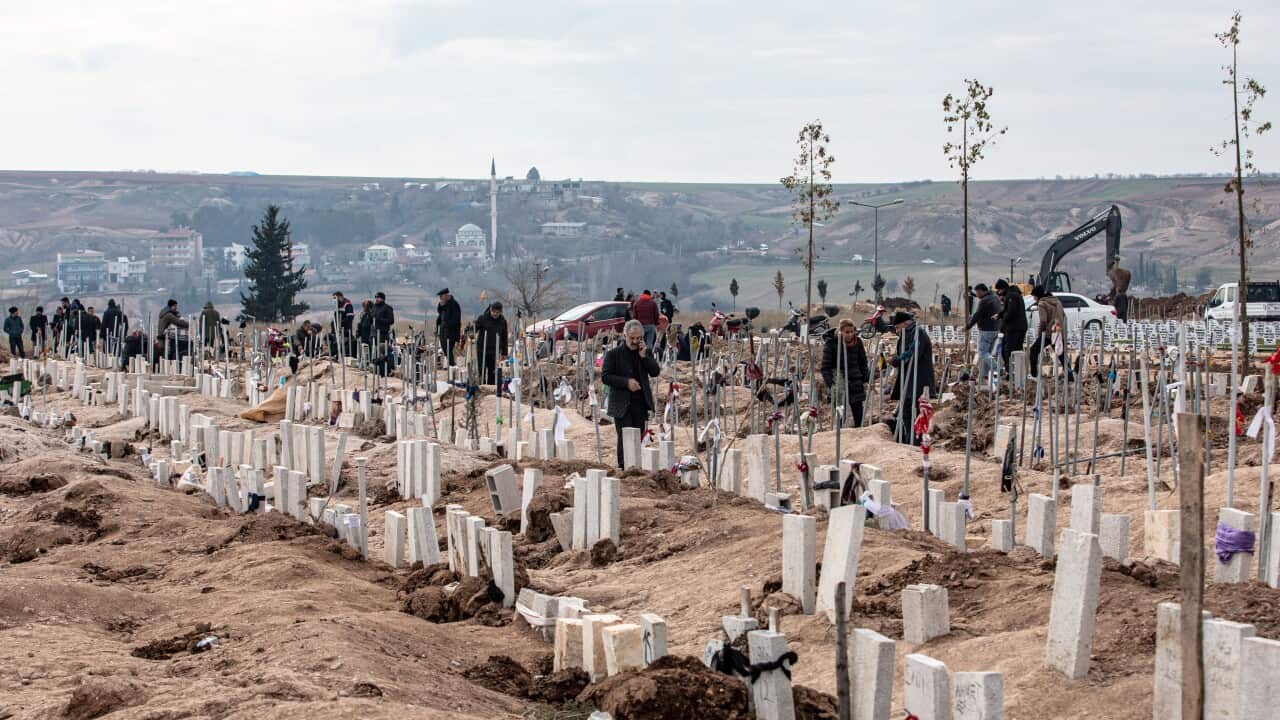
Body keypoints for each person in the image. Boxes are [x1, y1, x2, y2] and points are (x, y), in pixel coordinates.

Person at [602, 320, 661, 469]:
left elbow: (655, 372)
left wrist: (645, 357)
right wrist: (626, 382)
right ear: (624, 336)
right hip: (621, 404)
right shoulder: (613, 354)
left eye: (638, 338)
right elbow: (606, 376)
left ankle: (637, 467)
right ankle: (623, 468)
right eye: (632, 338)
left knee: (639, 438)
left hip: (640, 403)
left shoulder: (643, 352)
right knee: (625, 437)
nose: (635, 341)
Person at [888, 311, 935, 444]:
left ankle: (915, 440)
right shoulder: (908, 333)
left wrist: (896, 360)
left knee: (915, 411)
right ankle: (910, 439)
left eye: (897, 327)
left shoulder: (917, 333)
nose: (896, 331)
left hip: (918, 381)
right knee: (906, 412)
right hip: (909, 381)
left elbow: (911, 355)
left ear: (905, 323)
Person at [821, 318, 869, 427]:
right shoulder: (831, 343)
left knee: (859, 416)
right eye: (847, 332)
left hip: (855, 383)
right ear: (840, 331)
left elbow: (863, 363)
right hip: (839, 384)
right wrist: (831, 384)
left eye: (852, 332)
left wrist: (865, 379)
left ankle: (858, 440)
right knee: (840, 416)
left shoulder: (858, 342)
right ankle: (840, 439)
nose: (850, 334)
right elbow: (825, 367)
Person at [1027, 285, 1068, 378]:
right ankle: (1070, 376)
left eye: (1034, 297)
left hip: (1048, 333)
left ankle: (1034, 374)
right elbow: (1063, 316)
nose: (1034, 299)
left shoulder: (1042, 304)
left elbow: (1043, 320)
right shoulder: (1057, 302)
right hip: (1058, 331)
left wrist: (1040, 332)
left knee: (1033, 351)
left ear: (1037, 296)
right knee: (1061, 354)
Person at [965, 283, 1001, 383]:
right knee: (987, 353)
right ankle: (985, 376)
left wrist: (968, 326)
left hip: (986, 329)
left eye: (977, 292)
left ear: (981, 291)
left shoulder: (984, 301)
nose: (976, 294)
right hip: (996, 329)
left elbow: (977, 315)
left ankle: (995, 367)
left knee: (982, 352)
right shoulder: (995, 297)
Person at [994, 279, 1027, 378]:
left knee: (1009, 350)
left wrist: (1002, 320)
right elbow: (1007, 310)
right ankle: (1018, 373)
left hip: (1014, 328)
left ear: (1003, 288)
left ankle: (1011, 373)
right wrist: (1000, 315)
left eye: (999, 290)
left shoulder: (1011, 296)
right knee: (1016, 350)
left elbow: (1011, 312)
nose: (999, 293)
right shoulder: (1015, 294)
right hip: (1018, 327)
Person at [473, 301, 508, 385]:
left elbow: (504, 337)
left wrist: (504, 352)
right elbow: (475, 328)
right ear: (490, 310)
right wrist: (471, 332)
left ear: (501, 312)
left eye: (498, 312)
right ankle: (481, 385)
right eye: (494, 312)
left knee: (493, 371)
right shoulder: (482, 318)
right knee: (481, 369)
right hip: (482, 349)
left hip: (494, 351)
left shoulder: (503, 321)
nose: (495, 314)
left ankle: (491, 388)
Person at [435, 288, 460, 365]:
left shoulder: (454, 304)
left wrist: (447, 324)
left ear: (446, 296)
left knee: (448, 349)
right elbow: (440, 313)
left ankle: (452, 365)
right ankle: (451, 365)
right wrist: (441, 305)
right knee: (444, 348)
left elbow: (456, 319)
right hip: (443, 330)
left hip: (450, 331)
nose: (440, 299)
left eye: (441, 297)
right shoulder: (444, 304)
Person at [1106, 255, 1132, 321]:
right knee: (1123, 318)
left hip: (1119, 306)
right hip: (1122, 302)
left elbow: (1114, 304)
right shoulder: (1124, 295)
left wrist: (1110, 299)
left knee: (1119, 318)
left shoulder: (1115, 274)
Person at [332, 291, 355, 355]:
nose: (334, 300)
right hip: (338, 331)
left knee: (344, 349)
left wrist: (340, 323)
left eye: (335, 298)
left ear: (340, 297)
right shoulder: (338, 306)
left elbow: (350, 318)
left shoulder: (347, 305)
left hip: (345, 331)